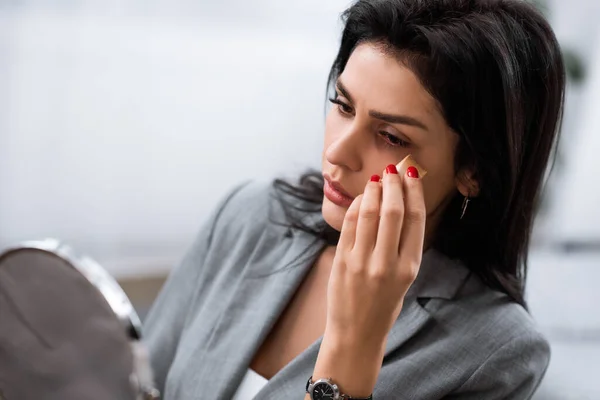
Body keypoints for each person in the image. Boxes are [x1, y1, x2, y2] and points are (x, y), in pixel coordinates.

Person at [143, 0, 565, 398]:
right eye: (343, 106)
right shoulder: (251, 216)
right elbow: (134, 383)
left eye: (391, 137)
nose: (336, 153)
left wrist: (351, 351)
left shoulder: (497, 354)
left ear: (473, 171)